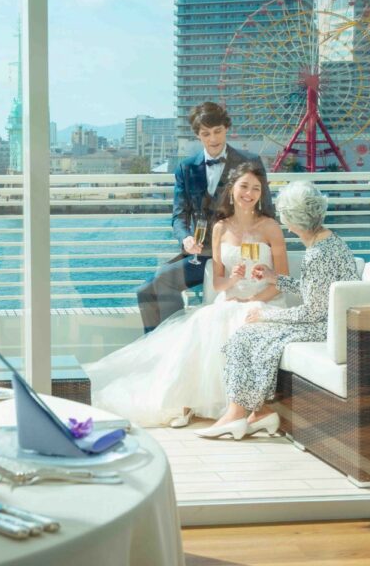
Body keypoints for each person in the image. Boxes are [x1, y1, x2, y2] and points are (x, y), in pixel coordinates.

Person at [85, 163, 288, 427]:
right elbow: (218, 282)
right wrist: (234, 280)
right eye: (244, 186)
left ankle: (235, 408)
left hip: (265, 300)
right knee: (200, 323)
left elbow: (282, 281)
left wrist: (252, 299)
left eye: (256, 189)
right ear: (232, 189)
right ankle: (184, 402)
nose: (249, 193)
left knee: (237, 324)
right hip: (229, 299)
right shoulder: (220, 228)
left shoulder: (270, 227)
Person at [196, 181, 361, 440]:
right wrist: (275, 278)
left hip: (325, 327)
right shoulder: (330, 243)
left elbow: (312, 312)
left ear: (292, 220)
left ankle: (237, 414)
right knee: (249, 335)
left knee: (246, 336)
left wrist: (266, 314)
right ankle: (258, 413)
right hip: (331, 321)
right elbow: (316, 292)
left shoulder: (317, 254)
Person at [136, 102, 273, 334]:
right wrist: (186, 238)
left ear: (226, 128)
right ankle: (158, 344)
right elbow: (179, 215)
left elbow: (267, 210)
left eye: (218, 131)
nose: (213, 139)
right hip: (199, 252)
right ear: (197, 135)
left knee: (163, 279)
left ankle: (174, 339)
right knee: (145, 291)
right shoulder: (186, 168)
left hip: (234, 253)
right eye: (206, 133)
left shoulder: (250, 162)